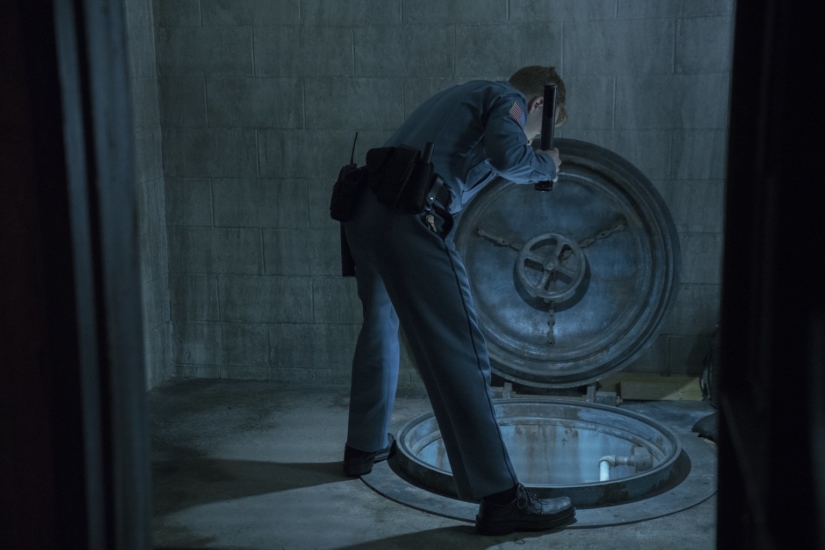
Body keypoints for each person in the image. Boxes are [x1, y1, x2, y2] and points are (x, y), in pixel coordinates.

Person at [340, 66, 574, 536]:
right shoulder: (506, 97)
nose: (531, 137)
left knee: (379, 329)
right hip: (411, 216)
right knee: (462, 354)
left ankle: (363, 446)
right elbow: (509, 155)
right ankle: (502, 498)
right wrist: (546, 162)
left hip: (364, 212)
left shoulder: (461, 94)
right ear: (538, 107)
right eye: (538, 129)